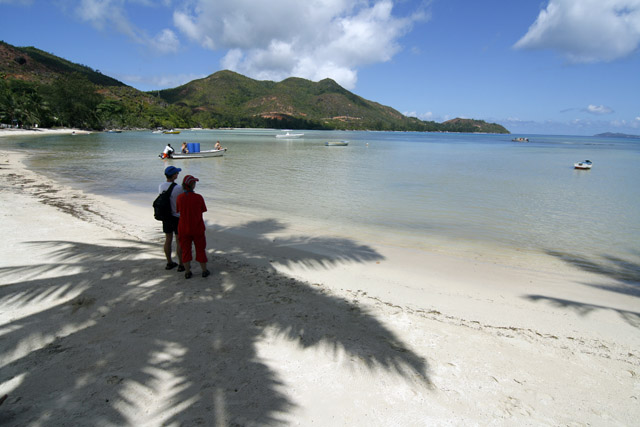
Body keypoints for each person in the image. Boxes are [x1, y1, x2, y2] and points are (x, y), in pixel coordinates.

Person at [176, 174, 210, 279]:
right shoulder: (198, 197)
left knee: (185, 249)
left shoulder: (180, 198)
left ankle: (187, 272)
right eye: (194, 183)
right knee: (200, 249)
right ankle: (204, 270)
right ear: (192, 185)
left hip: (183, 228)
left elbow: (178, 210)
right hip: (197, 227)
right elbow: (203, 210)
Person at [159, 165, 184, 271]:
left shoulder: (161, 186)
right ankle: (181, 264)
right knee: (179, 241)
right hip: (176, 217)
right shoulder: (178, 188)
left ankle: (169, 262)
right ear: (174, 175)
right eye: (177, 173)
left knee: (168, 239)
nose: (178, 174)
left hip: (166, 216)